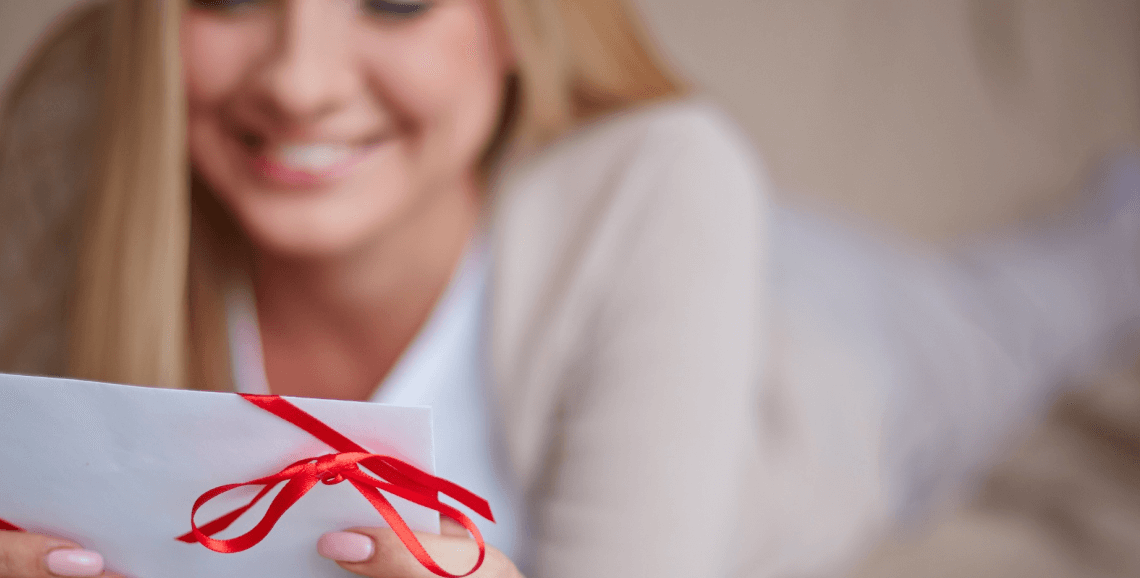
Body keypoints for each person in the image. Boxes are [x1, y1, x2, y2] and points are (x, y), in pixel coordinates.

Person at [1, 2, 1139, 578]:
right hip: (610, 234)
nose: (298, 80)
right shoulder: (80, 163)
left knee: (1056, 295)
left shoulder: (667, 182)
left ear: (513, 24)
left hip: (821, 365)